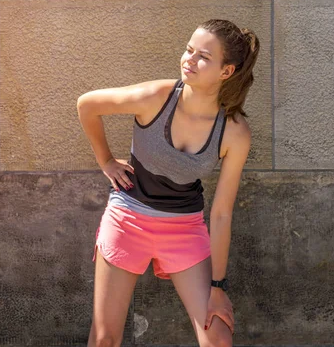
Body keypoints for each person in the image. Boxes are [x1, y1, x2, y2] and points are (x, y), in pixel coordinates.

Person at [76, 19, 259, 347]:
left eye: (203, 56)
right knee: (104, 339)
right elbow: (87, 104)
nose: (189, 59)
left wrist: (218, 287)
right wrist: (105, 160)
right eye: (188, 50)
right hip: (128, 218)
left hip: (184, 229)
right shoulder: (156, 96)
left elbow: (220, 215)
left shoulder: (234, 132)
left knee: (218, 339)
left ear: (226, 72)